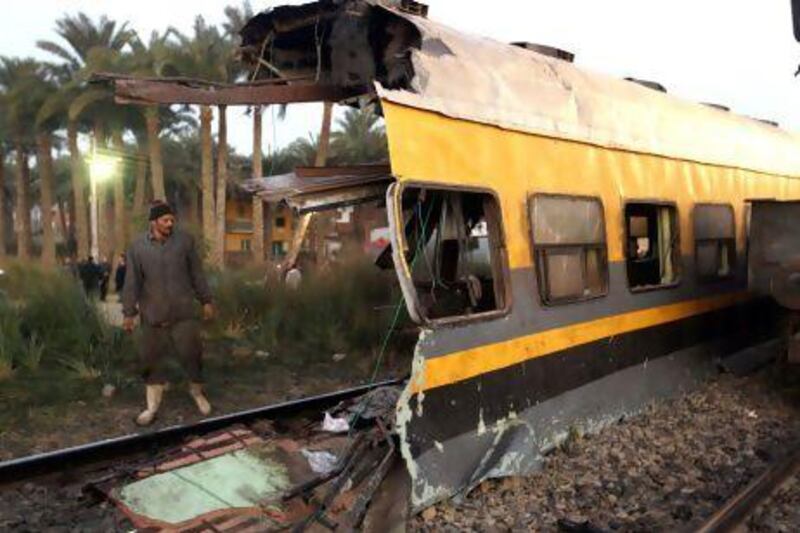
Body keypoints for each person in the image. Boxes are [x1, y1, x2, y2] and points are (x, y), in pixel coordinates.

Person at [122, 200, 215, 426]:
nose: (170, 223)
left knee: (192, 355)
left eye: (172, 219)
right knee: (151, 361)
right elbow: (132, 282)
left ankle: (197, 393)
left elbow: (197, 273)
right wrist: (128, 312)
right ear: (153, 222)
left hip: (183, 313)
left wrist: (206, 300)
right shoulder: (137, 248)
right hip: (153, 316)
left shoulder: (185, 242)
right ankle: (152, 406)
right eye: (165, 220)